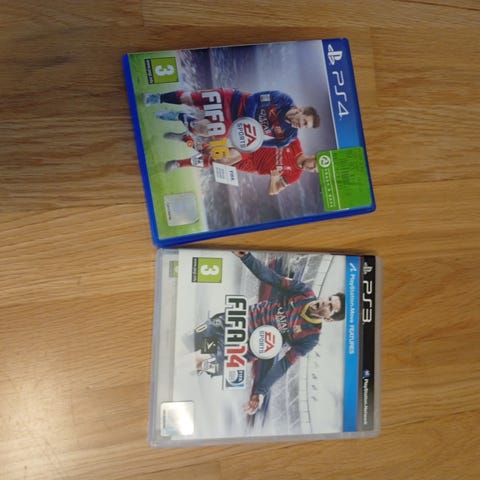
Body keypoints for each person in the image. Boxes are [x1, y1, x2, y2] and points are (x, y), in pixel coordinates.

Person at [193, 251, 345, 415]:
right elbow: (271, 278)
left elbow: (283, 364)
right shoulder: (304, 292)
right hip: (236, 320)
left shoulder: (310, 338)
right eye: (329, 299)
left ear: (329, 319)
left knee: (196, 361)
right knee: (185, 345)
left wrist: (260, 391)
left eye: (330, 307)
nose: (325, 303)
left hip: (240, 349)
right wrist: (246, 257)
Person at [144, 88, 320, 148]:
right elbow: (254, 99)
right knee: (189, 98)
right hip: (234, 100)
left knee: (202, 130)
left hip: (234, 124)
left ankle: (181, 116)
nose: (301, 125)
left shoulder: (289, 136)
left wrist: (249, 141)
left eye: (305, 126)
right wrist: (250, 122)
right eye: (304, 121)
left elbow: (264, 145)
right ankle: (157, 98)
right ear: (300, 110)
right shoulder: (282, 99)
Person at [163, 137, 318, 195]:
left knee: (215, 161)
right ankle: (180, 160)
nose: (311, 169)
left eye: (315, 171)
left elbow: (273, 191)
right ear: (314, 157)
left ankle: (186, 141)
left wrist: (273, 179)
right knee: (222, 158)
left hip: (251, 165)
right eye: (314, 165)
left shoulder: (295, 176)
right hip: (252, 147)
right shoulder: (295, 143)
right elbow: (274, 128)